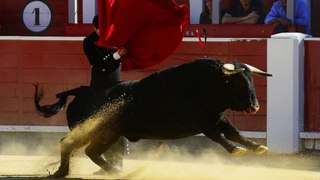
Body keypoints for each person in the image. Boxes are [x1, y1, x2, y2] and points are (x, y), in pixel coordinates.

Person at [82, 15, 128, 174]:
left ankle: (118, 164)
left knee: (117, 125)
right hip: (100, 89)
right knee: (104, 126)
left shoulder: (114, 38)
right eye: (102, 29)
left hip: (115, 86)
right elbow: (99, 63)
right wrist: (117, 55)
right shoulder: (88, 42)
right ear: (95, 28)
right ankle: (110, 163)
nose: (106, 31)